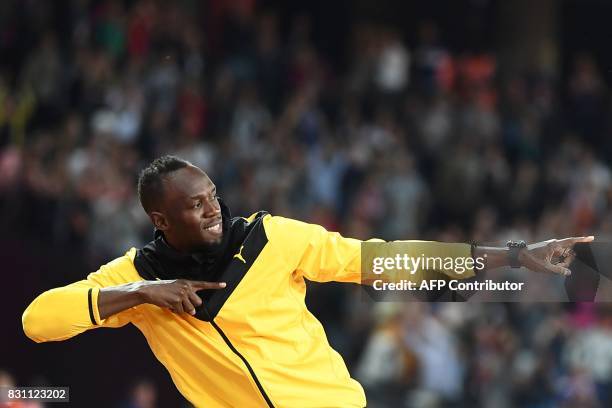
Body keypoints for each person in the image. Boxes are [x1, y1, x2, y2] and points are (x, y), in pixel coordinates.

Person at [21, 155, 593, 407]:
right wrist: (138, 295)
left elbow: (391, 259)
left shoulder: (273, 239)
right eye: (195, 206)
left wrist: (515, 256)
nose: (214, 209)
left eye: (214, 195)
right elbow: (36, 322)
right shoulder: (137, 277)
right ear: (161, 221)